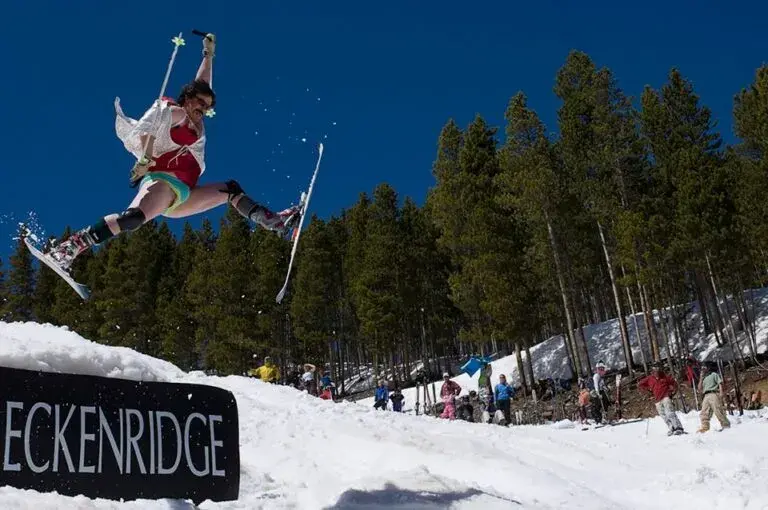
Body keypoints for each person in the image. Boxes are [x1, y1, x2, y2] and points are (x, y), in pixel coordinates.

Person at [44, 33, 301, 273]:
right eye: (199, 103)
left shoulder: (195, 120)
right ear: (187, 98)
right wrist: (145, 159)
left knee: (231, 190)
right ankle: (71, 247)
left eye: (207, 106)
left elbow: (203, 83)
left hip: (184, 195)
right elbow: (148, 130)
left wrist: (208, 56)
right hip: (163, 183)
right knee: (133, 218)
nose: (203, 109)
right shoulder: (174, 112)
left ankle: (275, 222)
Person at [638, 364, 685, 436]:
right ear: (652, 371)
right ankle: (671, 428)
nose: (656, 372)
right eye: (655, 370)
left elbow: (674, 383)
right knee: (663, 415)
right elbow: (640, 384)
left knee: (669, 412)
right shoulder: (649, 378)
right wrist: (648, 392)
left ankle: (678, 427)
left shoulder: (665, 376)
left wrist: (672, 392)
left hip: (665, 396)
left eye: (658, 370)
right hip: (657, 399)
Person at [697, 363, 731, 432]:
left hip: (714, 393)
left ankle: (725, 425)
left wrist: (721, 392)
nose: (703, 369)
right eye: (702, 368)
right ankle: (705, 427)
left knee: (718, 409)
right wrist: (701, 378)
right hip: (706, 395)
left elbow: (720, 383)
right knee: (704, 412)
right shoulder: (704, 378)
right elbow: (699, 389)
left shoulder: (714, 374)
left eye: (705, 367)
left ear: (708, 368)